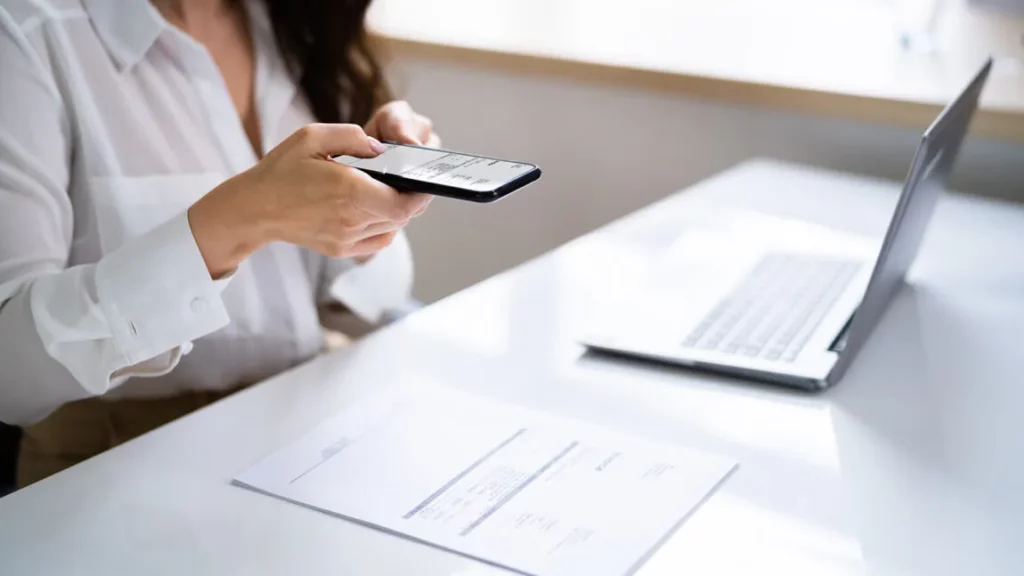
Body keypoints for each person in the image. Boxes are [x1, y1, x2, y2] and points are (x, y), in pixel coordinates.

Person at [0, 0, 440, 487]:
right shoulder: (27, 34)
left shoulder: (292, 25)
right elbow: (8, 373)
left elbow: (364, 298)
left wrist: (372, 192)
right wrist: (235, 222)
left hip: (306, 446)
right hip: (113, 473)